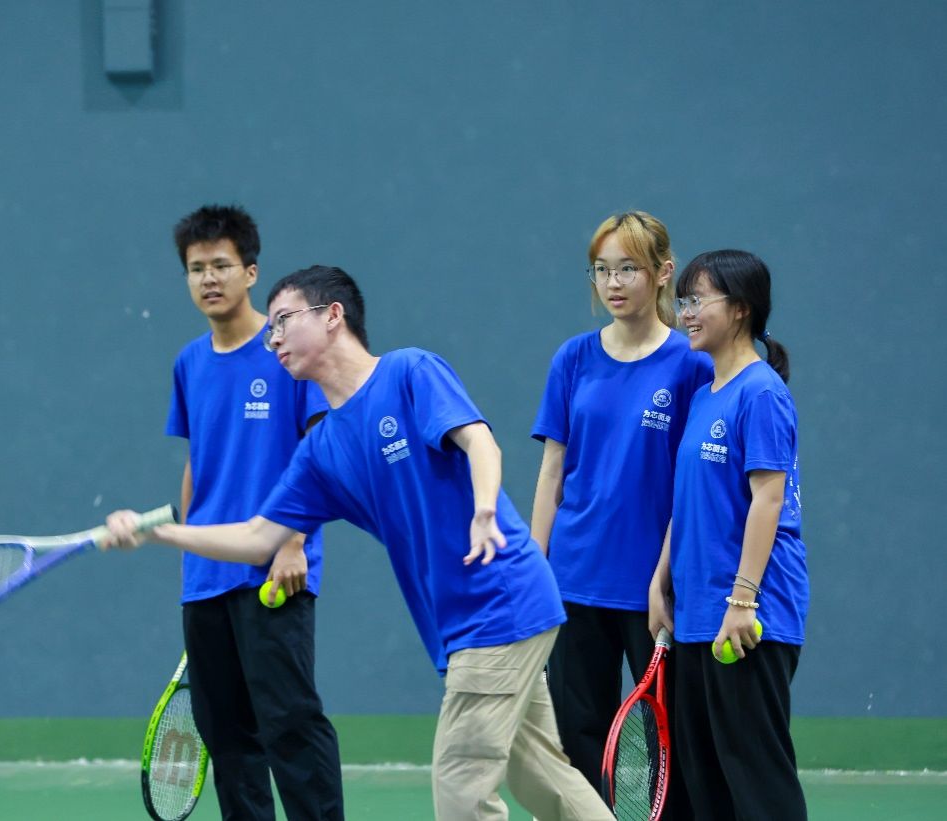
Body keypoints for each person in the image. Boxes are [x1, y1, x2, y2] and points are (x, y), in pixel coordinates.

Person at [106, 265, 614, 821]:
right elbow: (258, 538)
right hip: (462, 624)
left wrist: (485, 508)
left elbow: (479, 442)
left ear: (332, 316)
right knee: (543, 779)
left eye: (283, 321)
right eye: (270, 330)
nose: (273, 339)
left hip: (498, 603)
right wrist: (160, 532)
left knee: (461, 790)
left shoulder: (409, 372)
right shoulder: (320, 450)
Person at [164, 206, 344, 821]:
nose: (208, 279)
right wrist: (190, 553)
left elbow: (319, 450)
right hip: (207, 578)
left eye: (221, 265)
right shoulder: (189, 363)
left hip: (274, 571)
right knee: (227, 738)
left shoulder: (287, 350)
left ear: (250, 272)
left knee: (290, 724)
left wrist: (293, 541)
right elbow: (199, 464)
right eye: (196, 269)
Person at [529, 212, 709, 815]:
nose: (613, 282)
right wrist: (535, 567)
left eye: (628, 267)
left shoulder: (692, 365)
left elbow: (693, 486)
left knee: (669, 744)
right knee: (576, 740)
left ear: (662, 272)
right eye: (602, 269)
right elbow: (552, 471)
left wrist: (666, 576)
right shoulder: (573, 358)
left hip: (656, 587)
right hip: (575, 577)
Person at [649, 249, 809, 820]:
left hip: (748, 620)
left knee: (757, 784)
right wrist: (660, 582)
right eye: (683, 301)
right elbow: (687, 502)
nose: (686, 313)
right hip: (696, 615)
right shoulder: (703, 396)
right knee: (706, 787)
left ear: (740, 308)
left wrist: (742, 601)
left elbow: (768, 500)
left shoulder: (761, 392)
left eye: (698, 300)